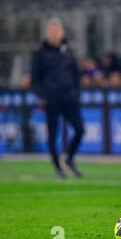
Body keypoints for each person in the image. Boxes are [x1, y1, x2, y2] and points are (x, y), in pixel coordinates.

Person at [31, 17, 85, 179]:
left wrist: (77, 92)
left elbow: (76, 74)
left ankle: (68, 158)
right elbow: (35, 79)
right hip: (52, 100)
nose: (55, 34)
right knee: (53, 135)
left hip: (70, 98)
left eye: (57, 30)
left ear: (62, 32)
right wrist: (43, 96)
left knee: (80, 130)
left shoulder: (68, 51)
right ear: (48, 33)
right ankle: (58, 167)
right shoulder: (40, 54)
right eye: (52, 31)